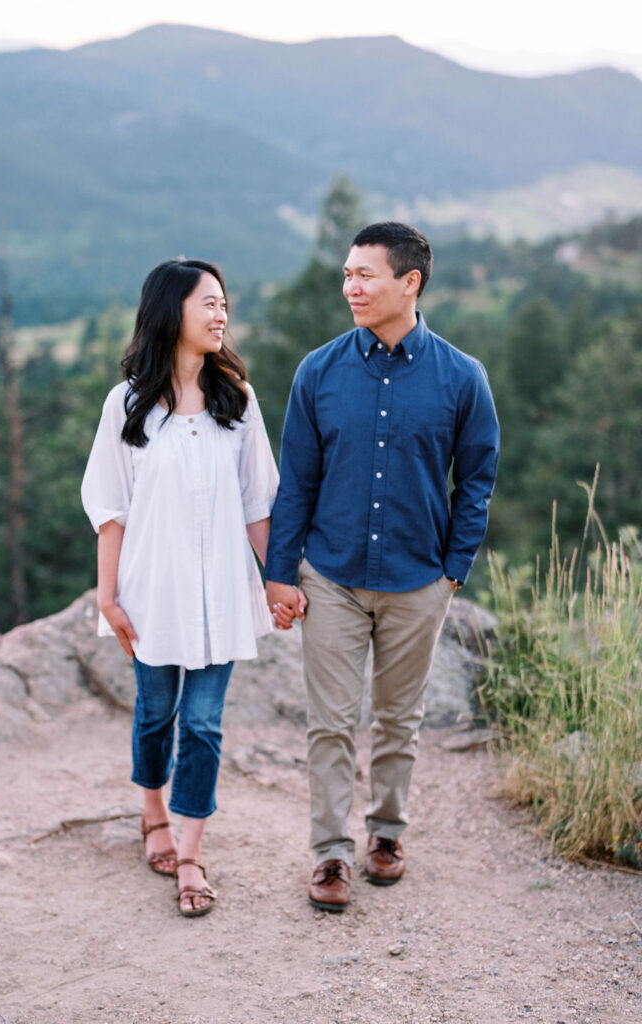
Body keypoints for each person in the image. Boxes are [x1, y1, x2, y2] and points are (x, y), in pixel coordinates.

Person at [265, 222, 500, 912]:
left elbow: (477, 480)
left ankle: (387, 834)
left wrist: (452, 570)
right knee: (331, 722)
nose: (350, 287)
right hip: (330, 576)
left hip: (417, 581)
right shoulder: (319, 371)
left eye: (364, 275)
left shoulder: (463, 377)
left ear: (410, 282)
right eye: (346, 275)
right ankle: (331, 855)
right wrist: (281, 573)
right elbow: (296, 482)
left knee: (399, 719)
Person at [81, 258, 279, 917]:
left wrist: (275, 581)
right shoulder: (127, 404)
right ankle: (150, 809)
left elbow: (258, 504)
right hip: (150, 590)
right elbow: (110, 508)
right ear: (173, 312)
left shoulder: (237, 401)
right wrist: (107, 598)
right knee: (155, 712)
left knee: (202, 722)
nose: (222, 314)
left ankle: (190, 853)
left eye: (225, 304)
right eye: (209, 304)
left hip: (220, 589)